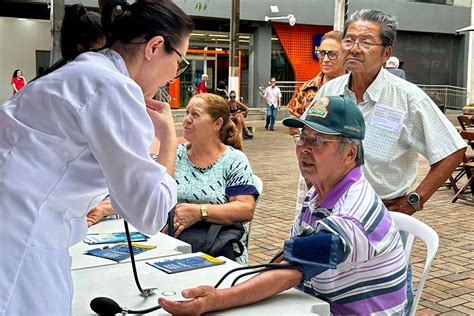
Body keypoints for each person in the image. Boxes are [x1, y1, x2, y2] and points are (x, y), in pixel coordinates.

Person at [0, 0, 194, 314]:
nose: (175, 75)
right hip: (20, 242)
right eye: (180, 62)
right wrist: (168, 139)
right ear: (155, 47)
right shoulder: (112, 86)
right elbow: (150, 212)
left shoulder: (81, 71)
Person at [159, 96, 408, 315]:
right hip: (314, 302)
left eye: (319, 141)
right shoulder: (319, 193)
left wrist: (216, 299)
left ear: (350, 154)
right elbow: (291, 255)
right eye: (303, 138)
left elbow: (291, 271)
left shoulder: (352, 215)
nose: (304, 150)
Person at [311, 9, 466, 314]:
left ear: (386, 53)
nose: (354, 48)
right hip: (331, 212)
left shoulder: (408, 98)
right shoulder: (330, 92)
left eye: (366, 41)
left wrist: (414, 201)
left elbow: (452, 150)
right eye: (349, 39)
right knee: (330, 293)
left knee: (385, 297)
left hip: (384, 216)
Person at [87, 93, 259, 264]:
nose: (187, 120)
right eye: (187, 113)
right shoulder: (172, 154)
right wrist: (105, 208)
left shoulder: (233, 160)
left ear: (217, 124)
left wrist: (199, 212)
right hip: (167, 248)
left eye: (195, 115)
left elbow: (245, 208)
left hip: (218, 250)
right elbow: (143, 191)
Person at [287, 30, 346, 136]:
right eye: (322, 53)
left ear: (346, 56)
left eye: (333, 54)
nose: (325, 59)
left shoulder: (355, 86)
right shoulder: (307, 89)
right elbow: (293, 127)